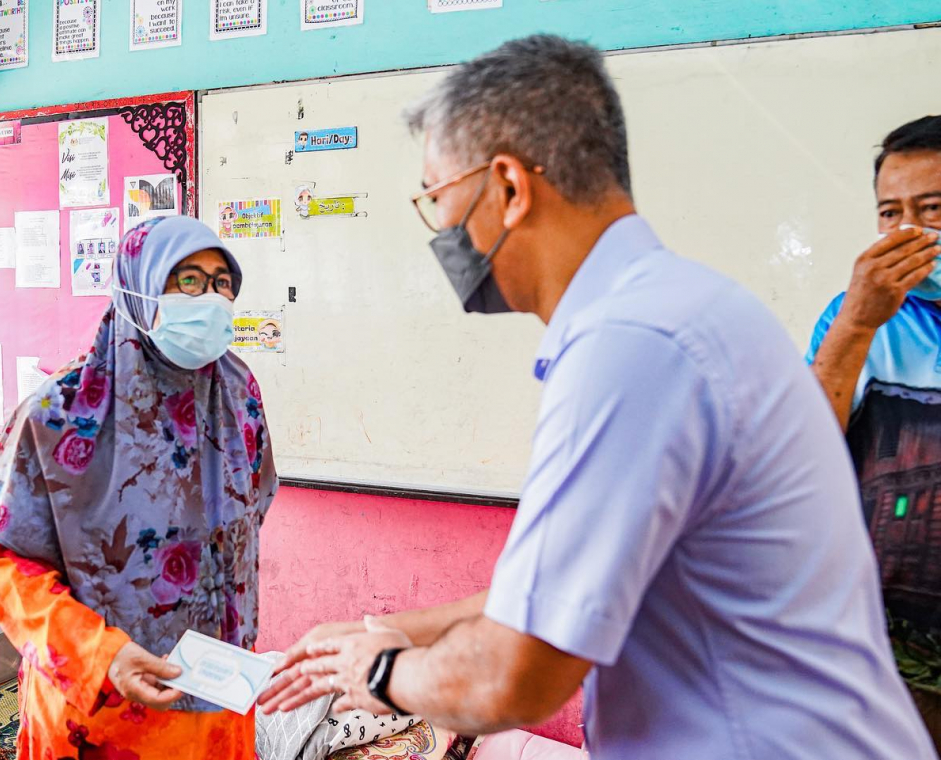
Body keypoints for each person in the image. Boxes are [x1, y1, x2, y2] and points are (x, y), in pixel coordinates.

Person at [257, 35, 935, 759]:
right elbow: (552, 592)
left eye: (439, 199)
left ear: (511, 188)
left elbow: (516, 675)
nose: (443, 233)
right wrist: (383, 634)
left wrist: (384, 672)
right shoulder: (680, 310)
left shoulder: (630, 348)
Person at [0, 216, 277, 760]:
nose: (210, 298)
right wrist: (102, 654)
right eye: (188, 280)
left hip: (216, 697)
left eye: (222, 282)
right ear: (138, 285)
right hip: (98, 711)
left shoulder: (238, 391)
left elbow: (252, 512)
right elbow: (6, 567)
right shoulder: (57, 414)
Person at [806, 115, 941, 742]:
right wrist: (858, 324)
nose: (908, 230)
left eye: (932, 207)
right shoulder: (854, 318)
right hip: (886, 660)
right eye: (890, 213)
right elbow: (796, 457)